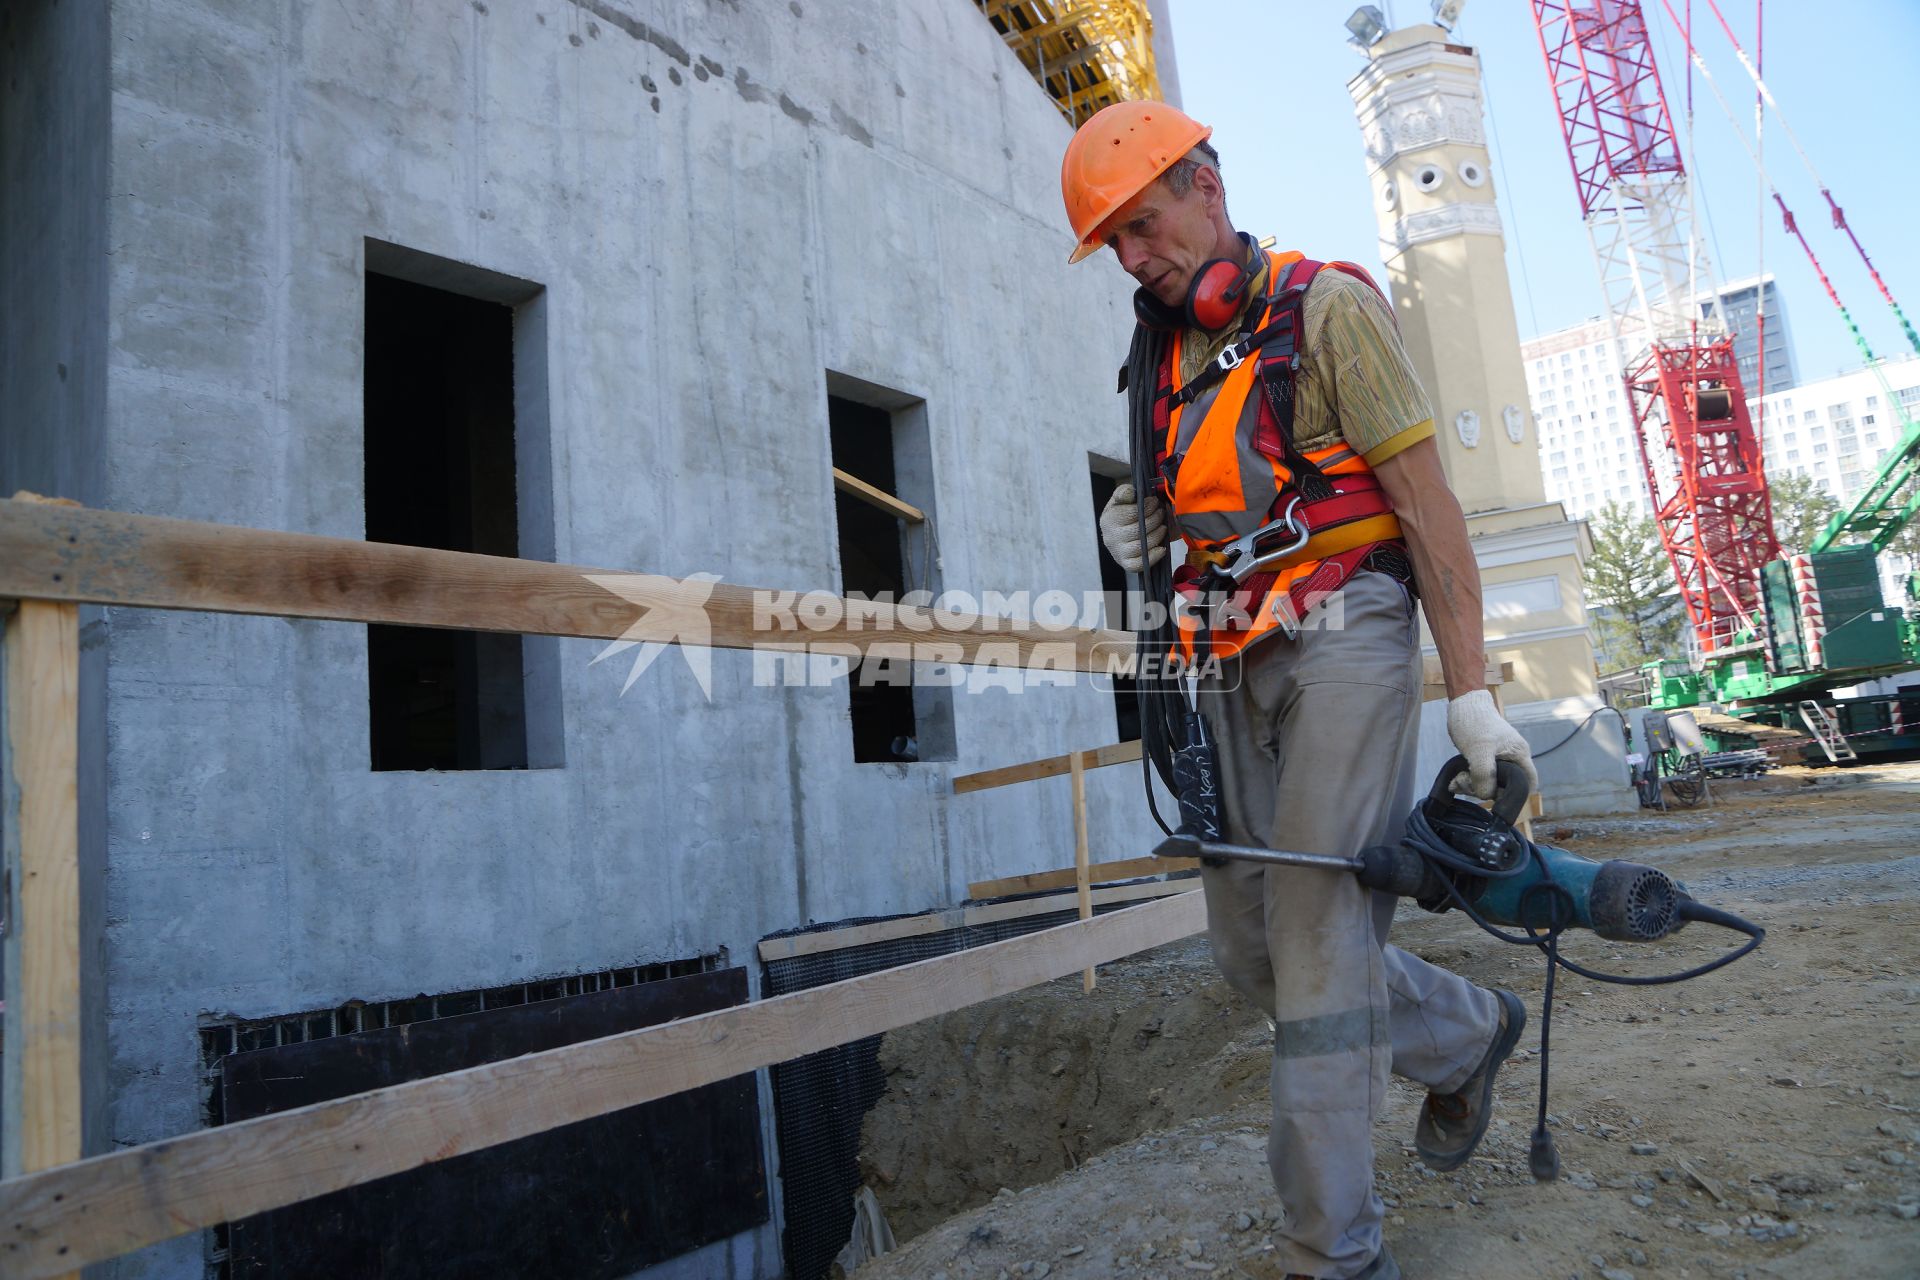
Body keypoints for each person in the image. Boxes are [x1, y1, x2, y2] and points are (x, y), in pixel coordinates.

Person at [1065, 101, 1540, 1280]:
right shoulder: (1161, 360)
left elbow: (1428, 509)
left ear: (1208, 189)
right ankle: (1468, 1032)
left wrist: (1470, 691)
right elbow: (1200, 512)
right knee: (1251, 948)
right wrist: (1145, 532)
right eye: (1113, 243)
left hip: (1351, 626)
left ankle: (1332, 1250)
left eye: (1143, 223)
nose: (1134, 257)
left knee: (1320, 932)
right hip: (1227, 644)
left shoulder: (1330, 309)